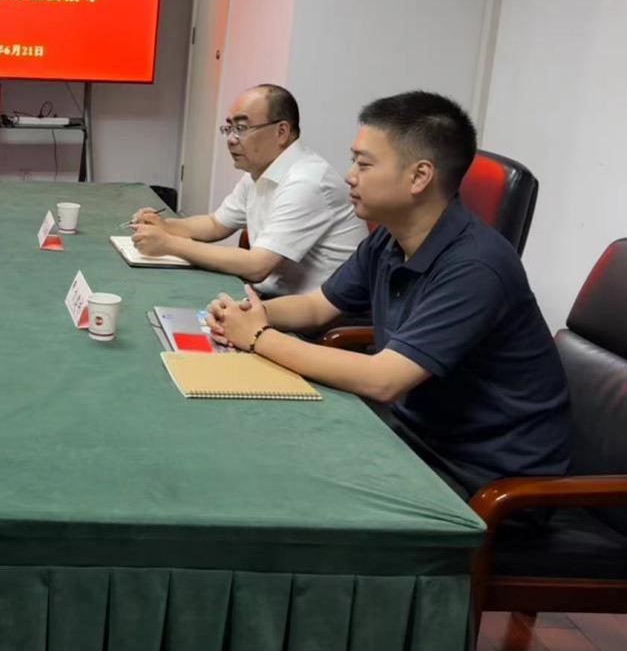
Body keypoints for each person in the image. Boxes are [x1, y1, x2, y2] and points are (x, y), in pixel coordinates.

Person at [206, 91, 570, 499]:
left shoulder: (477, 267)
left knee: (285, 486)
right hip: (413, 436)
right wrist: (250, 313)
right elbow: (316, 306)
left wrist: (257, 337)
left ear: (419, 177)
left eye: (364, 164)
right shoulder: (391, 239)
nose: (349, 176)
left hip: (481, 478)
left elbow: (383, 380)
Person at [130, 85, 365, 295]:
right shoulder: (259, 171)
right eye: (229, 128)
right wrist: (165, 225)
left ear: (281, 132)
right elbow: (215, 225)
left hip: (315, 315)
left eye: (241, 128)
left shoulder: (307, 181)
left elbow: (257, 266)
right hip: (271, 298)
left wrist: (169, 244)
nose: (231, 139)